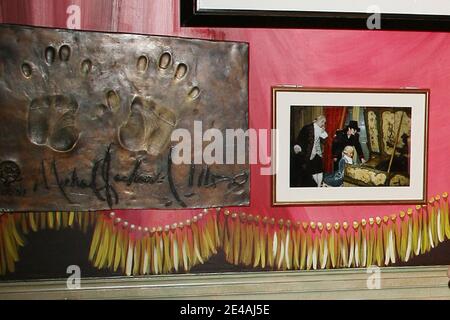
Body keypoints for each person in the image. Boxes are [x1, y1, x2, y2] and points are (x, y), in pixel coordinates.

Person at [292, 115, 328, 187]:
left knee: (320, 170)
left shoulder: (321, 129)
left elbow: (324, 141)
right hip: (308, 153)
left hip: (318, 153)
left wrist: (323, 132)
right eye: (322, 121)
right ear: (318, 120)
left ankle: (319, 186)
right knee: (312, 171)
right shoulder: (307, 128)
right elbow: (300, 138)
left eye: (324, 122)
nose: (323, 124)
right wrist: (297, 146)